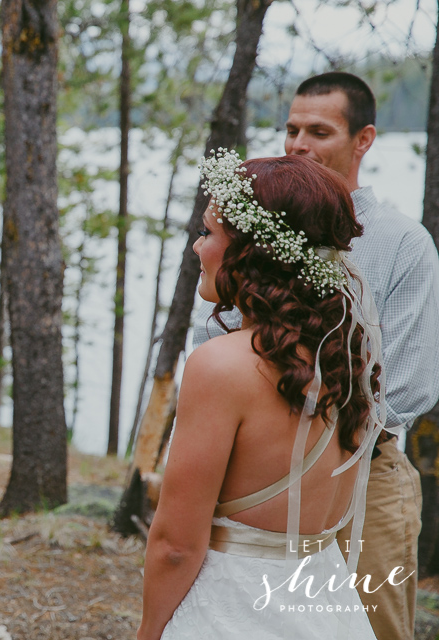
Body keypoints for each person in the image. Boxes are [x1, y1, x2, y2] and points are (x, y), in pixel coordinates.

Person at [193, 71, 439, 639]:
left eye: (319, 130)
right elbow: (210, 337)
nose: (298, 144)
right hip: (250, 485)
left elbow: (409, 381)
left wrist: (307, 431)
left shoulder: (402, 244)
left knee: (372, 628)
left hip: (366, 477)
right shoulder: (260, 225)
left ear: (364, 139)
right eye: (291, 128)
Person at [139, 152, 383, 640]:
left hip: (237, 611)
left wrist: (147, 633)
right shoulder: (347, 354)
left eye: (208, 233)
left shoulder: (221, 366)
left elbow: (175, 546)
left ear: (252, 251)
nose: (196, 247)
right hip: (327, 604)